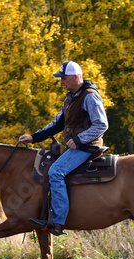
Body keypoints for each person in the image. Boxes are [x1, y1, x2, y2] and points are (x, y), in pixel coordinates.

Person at [19, 61, 109, 236]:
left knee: (56, 172)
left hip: (86, 147)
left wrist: (79, 140)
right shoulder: (70, 97)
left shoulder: (90, 96)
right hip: (77, 146)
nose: (61, 82)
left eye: (64, 78)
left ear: (76, 77)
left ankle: (58, 222)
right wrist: (33, 137)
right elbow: (58, 124)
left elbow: (101, 124)